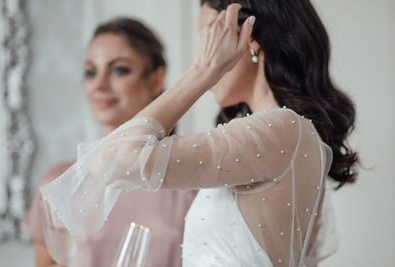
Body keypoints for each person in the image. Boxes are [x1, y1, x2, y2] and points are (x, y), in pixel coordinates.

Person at [41, 1, 359, 266]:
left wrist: (202, 73)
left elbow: (115, 161)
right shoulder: (291, 132)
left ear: (249, 40)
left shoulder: (279, 129)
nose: (204, 54)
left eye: (209, 38)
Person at [21, 17, 195, 267]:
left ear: (156, 80)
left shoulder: (190, 185)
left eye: (119, 70)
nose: (99, 86)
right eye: (91, 72)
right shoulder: (58, 184)